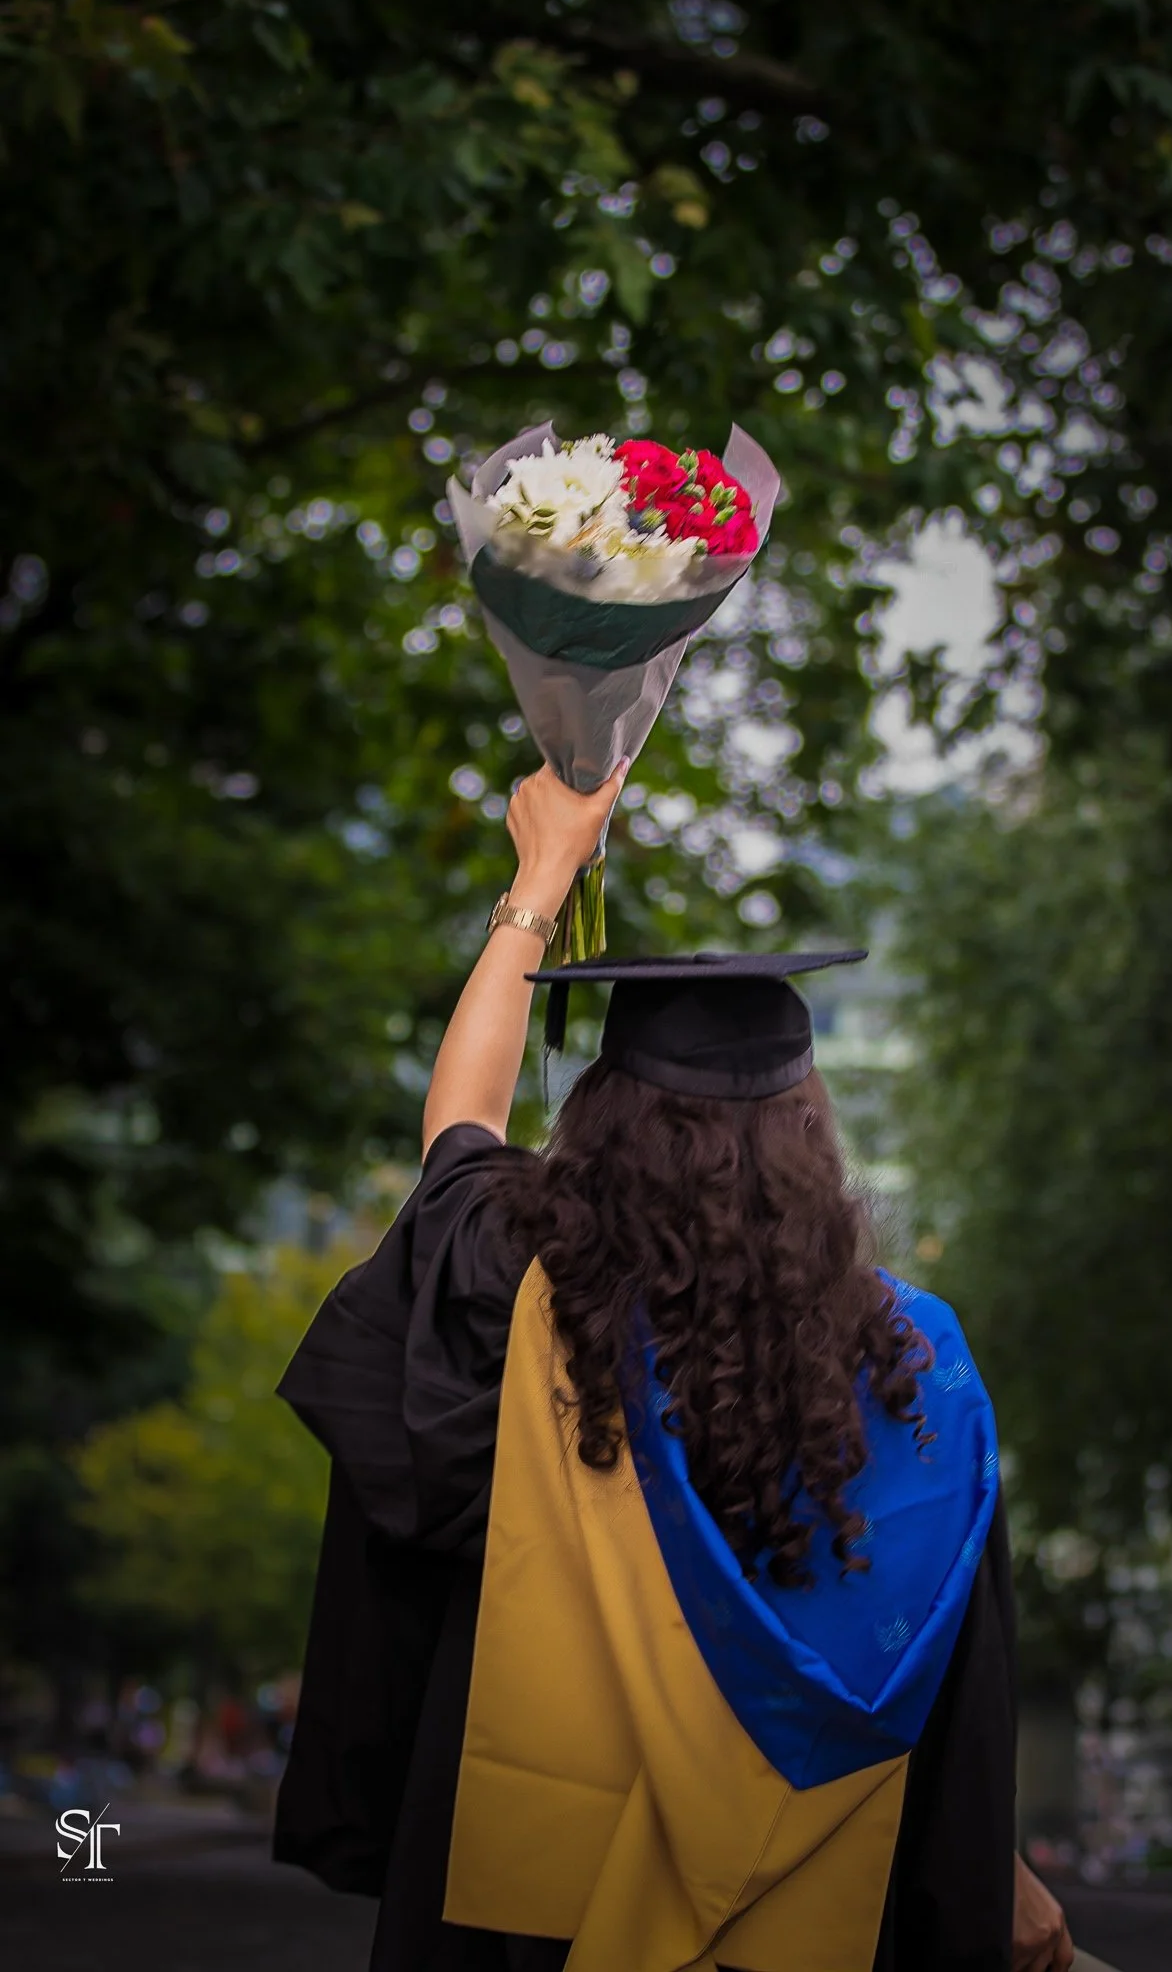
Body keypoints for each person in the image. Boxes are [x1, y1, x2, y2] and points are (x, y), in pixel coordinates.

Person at [273, 762, 1076, 1972]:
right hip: (807, 1920)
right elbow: (954, 1675)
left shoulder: (529, 1308)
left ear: (599, 1120)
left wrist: (540, 874)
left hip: (532, 1914)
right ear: (814, 1139)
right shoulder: (919, 1369)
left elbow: (459, 1132)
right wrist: (991, 1862)